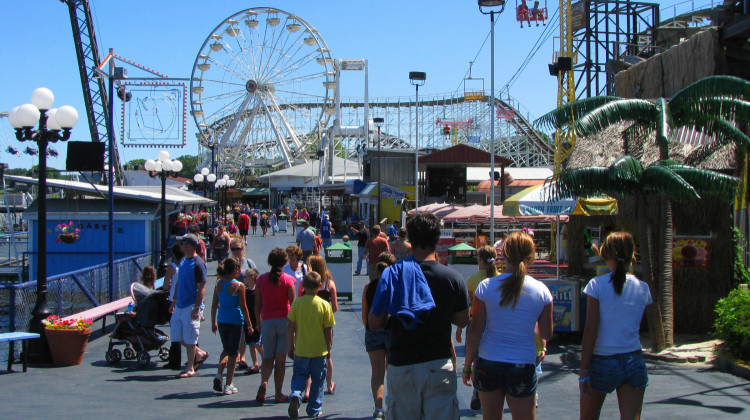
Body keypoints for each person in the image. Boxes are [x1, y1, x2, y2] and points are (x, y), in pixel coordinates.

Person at [369, 212, 470, 420]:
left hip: (403, 365)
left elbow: (375, 322)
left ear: (410, 240)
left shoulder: (392, 274)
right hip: (438, 366)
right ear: (437, 239)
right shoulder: (453, 278)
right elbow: (462, 320)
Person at [462, 231, 554, 420]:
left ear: (504, 255)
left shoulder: (486, 287)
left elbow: (475, 331)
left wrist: (467, 365)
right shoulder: (542, 291)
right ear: (531, 257)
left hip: (489, 362)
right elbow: (546, 332)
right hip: (522, 364)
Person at [579, 232, 651, 420]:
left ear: (606, 254)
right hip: (633, 358)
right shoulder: (642, 288)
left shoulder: (596, 285)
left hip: (602, 359)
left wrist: (583, 370)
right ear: (631, 254)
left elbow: (591, 331)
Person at [455, 244, 500, 411]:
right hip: (495, 324)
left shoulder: (472, 280)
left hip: (475, 323)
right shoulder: (501, 279)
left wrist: (460, 327)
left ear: (480, 260)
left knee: (474, 359)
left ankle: (477, 389)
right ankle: (489, 390)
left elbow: (467, 307)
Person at [287, 271, 335, 419]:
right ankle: (314, 409)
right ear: (319, 286)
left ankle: (296, 394)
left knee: (300, 375)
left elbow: (291, 326)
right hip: (318, 350)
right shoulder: (324, 305)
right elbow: (328, 330)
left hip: (301, 349)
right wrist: (329, 347)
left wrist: (291, 346)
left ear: (303, 285)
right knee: (318, 380)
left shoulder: (297, 303)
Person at [255, 248, 296, 405]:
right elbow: (293, 305)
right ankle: (278, 393)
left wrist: (258, 321)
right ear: (285, 261)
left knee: (267, 358)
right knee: (280, 360)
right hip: (284, 321)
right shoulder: (288, 280)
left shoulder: (261, 280)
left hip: (267, 321)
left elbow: (257, 304)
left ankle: (264, 383)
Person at [210, 257, 254, 395]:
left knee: (226, 349)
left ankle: (218, 374)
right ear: (236, 269)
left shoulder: (218, 283)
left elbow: (213, 304)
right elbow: (243, 307)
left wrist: (213, 322)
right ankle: (228, 384)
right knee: (233, 353)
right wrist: (249, 325)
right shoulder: (239, 286)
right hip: (235, 321)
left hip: (222, 320)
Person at [170, 233, 210, 378]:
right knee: (176, 336)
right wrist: (174, 301)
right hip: (180, 305)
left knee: (190, 338)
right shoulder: (183, 261)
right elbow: (179, 283)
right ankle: (199, 354)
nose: (181, 246)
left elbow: (202, 288)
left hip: (191, 304)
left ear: (190, 246)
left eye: (184, 244)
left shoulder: (198, 263)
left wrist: (197, 307)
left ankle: (190, 367)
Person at [362, 252, 396, 420]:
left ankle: (378, 409)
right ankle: (393, 405)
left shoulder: (369, 287)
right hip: (392, 331)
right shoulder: (396, 286)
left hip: (373, 332)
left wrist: (370, 329)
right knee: (393, 371)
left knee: (377, 373)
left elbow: (365, 314)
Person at [305, 255, 339, 395]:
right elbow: (335, 307)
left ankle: (307, 389)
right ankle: (329, 384)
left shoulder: (306, 284)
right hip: (324, 324)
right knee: (327, 355)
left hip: (308, 322)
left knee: (307, 355)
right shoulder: (329, 283)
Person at [163, 244, 184, 370]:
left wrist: (170, 284)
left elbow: (165, 285)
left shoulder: (172, 267)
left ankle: (174, 361)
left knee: (175, 332)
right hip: (185, 300)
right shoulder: (186, 265)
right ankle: (192, 359)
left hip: (174, 300)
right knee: (188, 330)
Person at [239, 268, 262, 375]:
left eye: (246, 277)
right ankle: (255, 364)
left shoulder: (258, 291)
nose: (244, 278)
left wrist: (259, 321)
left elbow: (260, 307)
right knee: (251, 343)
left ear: (252, 278)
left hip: (256, 319)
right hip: (248, 320)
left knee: (257, 343)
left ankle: (267, 358)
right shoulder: (245, 291)